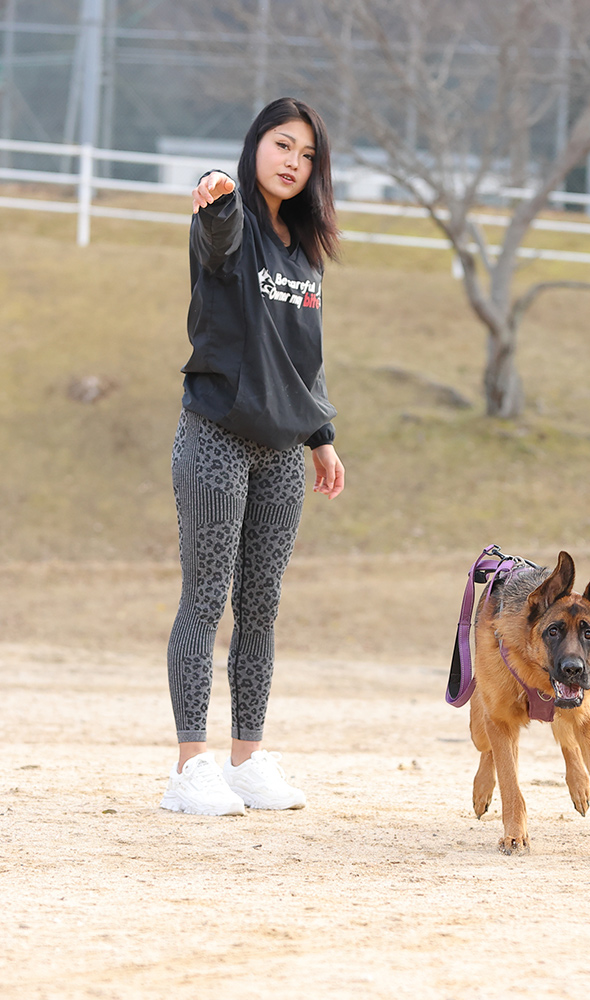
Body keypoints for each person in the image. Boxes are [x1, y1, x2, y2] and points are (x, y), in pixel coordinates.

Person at [160, 97, 345, 817]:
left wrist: (321, 437)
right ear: (255, 146)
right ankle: (189, 768)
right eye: (281, 144)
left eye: (306, 153)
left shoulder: (303, 252)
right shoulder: (229, 222)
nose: (293, 160)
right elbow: (217, 229)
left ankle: (246, 760)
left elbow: (306, 357)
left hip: (279, 451)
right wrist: (214, 189)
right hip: (214, 433)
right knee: (205, 599)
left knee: (261, 607)